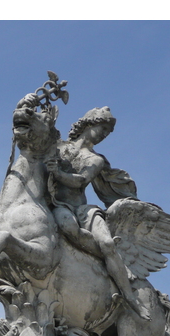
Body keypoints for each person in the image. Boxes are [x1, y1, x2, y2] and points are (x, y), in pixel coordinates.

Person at [45, 107, 150, 321]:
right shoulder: (58, 147)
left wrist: (58, 172)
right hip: (59, 205)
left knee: (108, 244)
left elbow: (81, 181)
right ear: (89, 124)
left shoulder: (95, 159)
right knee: (67, 226)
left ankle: (128, 295)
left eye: (107, 132)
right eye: (102, 128)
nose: (104, 134)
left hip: (82, 209)